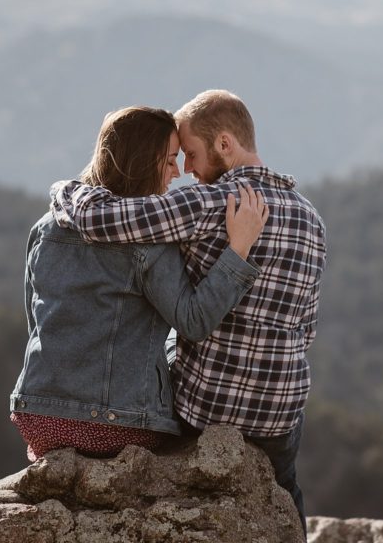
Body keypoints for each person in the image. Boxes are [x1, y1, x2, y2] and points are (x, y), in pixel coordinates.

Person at [50, 90, 326, 536]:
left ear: (224, 144)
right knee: (287, 485)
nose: (188, 172)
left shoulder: (207, 203)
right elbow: (306, 329)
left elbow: (104, 222)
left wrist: (66, 191)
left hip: (205, 408)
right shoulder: (313, 220)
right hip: (279, 410)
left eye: (192, 154)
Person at [10, 105, 268, 462]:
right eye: (169, 160)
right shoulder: (148, 241)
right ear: (141, 162)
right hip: (119, 425)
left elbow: (35, 317)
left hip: (36, 415)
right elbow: (194, 322)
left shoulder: (46, 228)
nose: (177, 172)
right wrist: (238, 249)